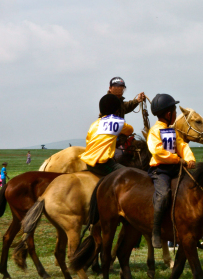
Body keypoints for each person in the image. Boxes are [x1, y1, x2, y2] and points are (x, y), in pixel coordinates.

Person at [146, 93, 195, 248]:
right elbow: (158, 152)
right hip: (160, 170)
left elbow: (182, 145)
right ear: (169, 114)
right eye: (175, 110)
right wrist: (177, 159)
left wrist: (189, 158)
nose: (176, 114)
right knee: (164, 195)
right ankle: (155, 232)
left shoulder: (171, 130)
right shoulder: (154, 131)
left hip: (175, 167)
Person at [79, 94, 134, 176]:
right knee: (130, 174)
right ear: (116, 110)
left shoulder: (94, 124)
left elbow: (88, 141)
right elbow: (130, 130)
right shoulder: (118, 122)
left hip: (88, 163)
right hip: (103, 164)